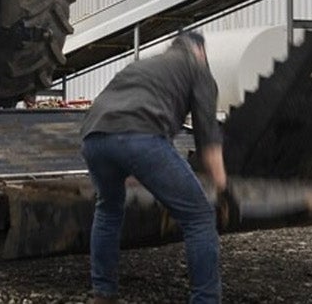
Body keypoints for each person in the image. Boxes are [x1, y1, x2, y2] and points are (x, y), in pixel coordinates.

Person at [79, 31, 227, 304]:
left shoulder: (141, 65)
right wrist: (220, 183)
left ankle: (103, 293)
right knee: (199, 217)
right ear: (199, 52)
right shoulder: (198, 69)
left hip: (94, 138)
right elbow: (207, 133)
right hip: (140, 136)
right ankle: (206, 299)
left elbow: (114, 104)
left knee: (109, 209)